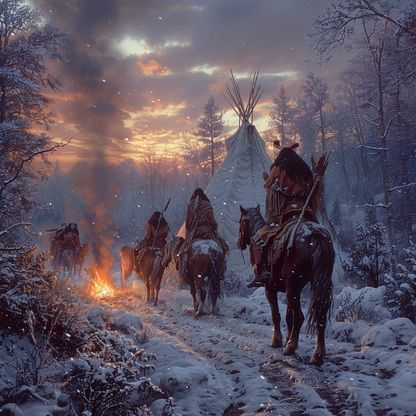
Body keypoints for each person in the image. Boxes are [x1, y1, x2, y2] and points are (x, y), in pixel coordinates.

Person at [246, 142, 321, 288]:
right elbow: (313, 193)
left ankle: (261, 273)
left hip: (287, 212)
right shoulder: (306, 171)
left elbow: (272, 197)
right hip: (307, 213)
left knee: (257, 239)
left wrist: (271, 217)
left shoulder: (278, 169)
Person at [184, 188, 229, 255]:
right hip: (207, 231)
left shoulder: (190, 206)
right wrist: (214, 228)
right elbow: (212, 221)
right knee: (220, 245)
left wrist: (188, 234)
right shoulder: (207, 205)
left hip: (195, 232)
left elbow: (188, 222)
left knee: (184, 250)